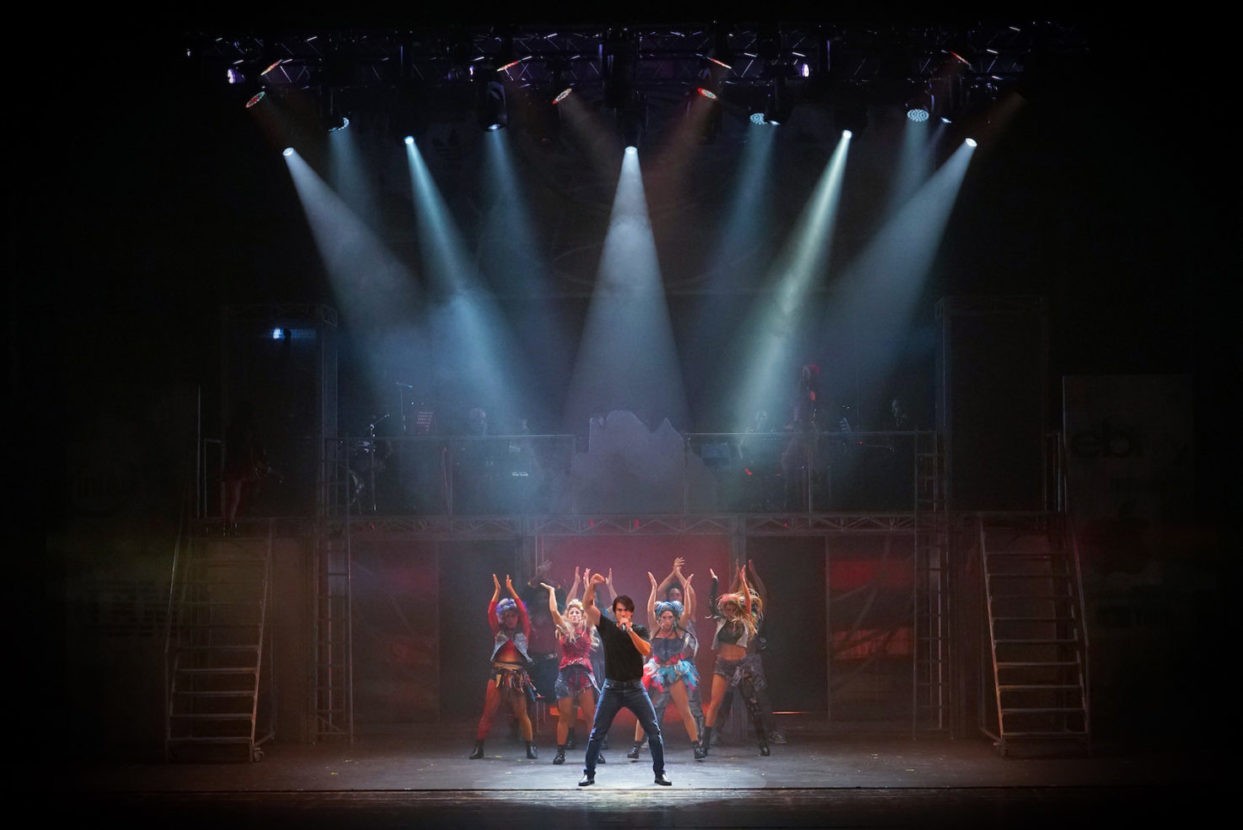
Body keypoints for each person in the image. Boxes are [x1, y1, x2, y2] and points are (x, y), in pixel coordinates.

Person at [577, 570, 671, 787]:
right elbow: (587, 606)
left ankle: (660, 773)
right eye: (619, 610)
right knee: (597, 733)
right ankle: (588, 774)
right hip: (612, 688)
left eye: (626, 610)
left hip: (635, 688)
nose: (623, 613)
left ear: (631, 613)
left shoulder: (639, 630)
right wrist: (592, 585)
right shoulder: (607, 627)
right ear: (615, 611)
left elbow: (645, 649)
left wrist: (629, 631)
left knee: (653, 731)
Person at [625, 569, 706, 762]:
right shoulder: (655, 629)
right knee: (645, 709)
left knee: (685, 710)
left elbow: (687, 612)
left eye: (670, 617)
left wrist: (686, 588)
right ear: (659, 618)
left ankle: (696, 746)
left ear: (674, 618)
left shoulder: (679, 630)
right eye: (664, 618)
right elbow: (648, 611)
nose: (667, 621)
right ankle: (636, 747)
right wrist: (654, 588)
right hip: (656, 670)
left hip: (675, 670)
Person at [709, 559, 784, 749]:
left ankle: (771, 732)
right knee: (725, 696)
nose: (747, 592)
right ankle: (716, 732)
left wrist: (754, 575)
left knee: (759, 696)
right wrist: (737, 577)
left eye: (749, 590)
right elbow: (730, 596)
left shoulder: (755, 613)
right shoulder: (732, 612)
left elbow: (763, 595)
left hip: (750, 661)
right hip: (731, 660)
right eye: (744, 591)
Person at [700, 565, 770, 756]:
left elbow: (748, 601)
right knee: (715, 703)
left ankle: (763, 742)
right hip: (723, 665)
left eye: (732, 608)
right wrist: (715, 582)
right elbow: (711, 603)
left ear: (737, 608)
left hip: (742, 665)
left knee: (751, 703)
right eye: (727, 608)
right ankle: (704, 744)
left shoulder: (745, 619)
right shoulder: (720, 620)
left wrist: (744, 583)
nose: (729, 611)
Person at [469, 574, 538, 761]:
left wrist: (512, 590)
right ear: (502, 618)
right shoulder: (498, 632)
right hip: (498, 674)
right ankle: (479, 747)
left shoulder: (524, 633)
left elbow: (524, 613)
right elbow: (490, 612)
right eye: (506, 616)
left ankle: (530, 747)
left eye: (513, 615)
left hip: (516, 676)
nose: (510, 619)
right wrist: (498, 591)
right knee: (488, 713)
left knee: (522, 713)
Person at [540, 581, 605, 766]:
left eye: (578, 612)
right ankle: (560, 752)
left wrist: (590, 587)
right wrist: (552, 592)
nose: (575, 614)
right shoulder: (563, 628)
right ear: (568, 616)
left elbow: (589, 605)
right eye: (572, 612)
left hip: (584, 676)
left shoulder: (587, 627)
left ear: (582, 615)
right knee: (565, 716)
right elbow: (554, 611)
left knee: (590, 716)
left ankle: (596, 751)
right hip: (566, 676)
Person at [220, 401, 270, 530]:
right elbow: (248, 447)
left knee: (233, 496)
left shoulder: (234, 429)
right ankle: (229, 522)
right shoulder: (245, 430)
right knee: (234, 496)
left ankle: (229, 521)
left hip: (237, 465)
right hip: (239, 465)